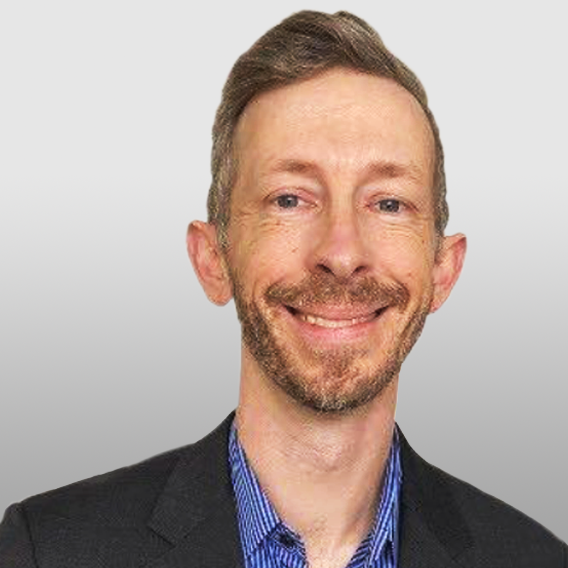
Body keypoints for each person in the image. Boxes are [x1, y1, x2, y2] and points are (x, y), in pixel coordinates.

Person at [0, 9, 565, 568]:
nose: (342, 254)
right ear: (213, 258)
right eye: (290, 199)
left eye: (388, 204)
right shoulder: (47, 550)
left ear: (444, 269)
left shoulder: (538, 559)